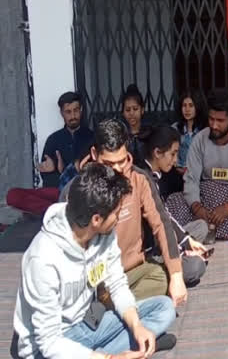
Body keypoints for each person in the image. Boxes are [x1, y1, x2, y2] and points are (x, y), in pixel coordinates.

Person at [12, 163, 176, 359]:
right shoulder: (43, 258)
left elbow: (117, 284)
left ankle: (132, 345)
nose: (118, 219)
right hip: (49, 345)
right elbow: (49, 342)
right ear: (96, 219)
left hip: (88, 323)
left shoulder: (104, 233)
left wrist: (136, 325)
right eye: (116, 214)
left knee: (164, 308)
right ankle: (124, 350)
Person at [64, 119, 189, 306]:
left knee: (165, 277)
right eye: (108, 163)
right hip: (94, 281)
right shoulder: (76, 190)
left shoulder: (139, 178)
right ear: (94, 154)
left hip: (132, 272)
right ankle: (115, 312)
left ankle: (111, 312)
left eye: (121, 162)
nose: (116, 170)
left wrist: (177, 276)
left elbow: (160, 222)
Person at [167, 89, 228, 241]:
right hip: (204, 197)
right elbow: (191, 179)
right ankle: (204, 229)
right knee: (174, 201)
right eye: (211, 119)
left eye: (220, 121)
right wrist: (197, 207)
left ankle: (199, 231)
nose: (214, 125)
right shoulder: (200, 140)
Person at [140, 125, 210, 286]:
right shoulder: (144, 179)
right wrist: (181, 247)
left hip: (163, 237)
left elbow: (164, 215)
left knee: (201, 227)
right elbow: (161, 223)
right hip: (151, 248)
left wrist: (186, 241)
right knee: (195, 267)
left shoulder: (153, 176)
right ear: (157, 153)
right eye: (173, 154)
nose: (175, 160)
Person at [38, 91, 94, 187]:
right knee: (14, 195)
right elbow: (47, 178)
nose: (73, 116)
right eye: (68, 112)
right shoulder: (53, 140)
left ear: (81, 110)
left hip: (86, 190)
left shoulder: (92, 138)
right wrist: (59, 173)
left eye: (76, 110)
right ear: (61, 113)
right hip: (59, 191)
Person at [172, 90, 208, 176]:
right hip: (178, 174)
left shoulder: (205, 130)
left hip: (200, 175)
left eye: (191, 106)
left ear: (198, 107)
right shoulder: (175, 128)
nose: (187, 109)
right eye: (184, 105)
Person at [121, 84, 147, 165]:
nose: (131, 113)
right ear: (123, 113)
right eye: (128, 110)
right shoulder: (120, 136)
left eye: (135, 109)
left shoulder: (150, 133)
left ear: (142, 110)